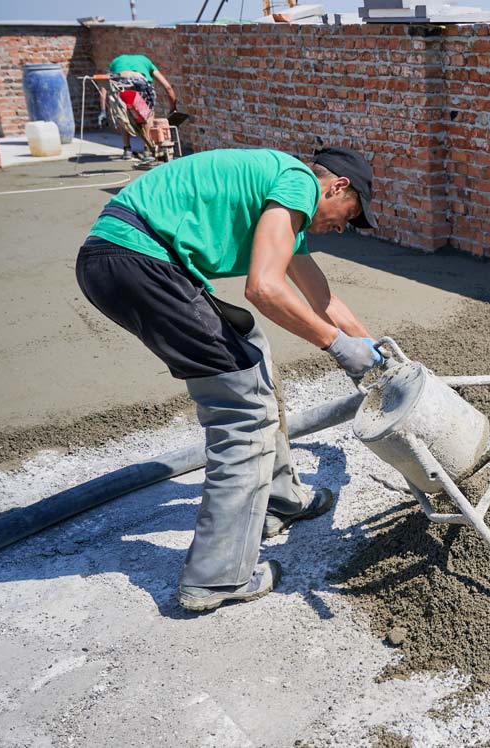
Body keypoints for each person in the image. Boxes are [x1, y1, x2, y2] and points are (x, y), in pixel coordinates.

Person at [75, 147, 383, 612]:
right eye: (349, 216)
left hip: (122, 259)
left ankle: (280, 497)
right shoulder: (297, 180)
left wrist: (383, 359)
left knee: (250, 352)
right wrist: (338, 347)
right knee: (243, 410)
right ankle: (217, 577)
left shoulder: (285, 213)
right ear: (337, 186)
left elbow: (322, 299)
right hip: (138, 258)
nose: (343, 228)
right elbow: (263, 287)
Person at [97, 53, 177, 161]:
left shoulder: (116, 61)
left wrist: (103, 111)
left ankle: (127, 150)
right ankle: (147, 151)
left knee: (122, 112)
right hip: (140, 81)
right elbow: (167, 87)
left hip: (120, 82)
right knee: (149, 113)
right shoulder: (146, 61)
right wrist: (173, 108)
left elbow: (104, 86)